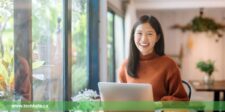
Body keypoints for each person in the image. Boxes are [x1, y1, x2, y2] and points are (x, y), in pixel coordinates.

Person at [118, 15, 189, 101]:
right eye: (139, 33)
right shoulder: (125, 65)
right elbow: (120, 98)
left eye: (149, 34)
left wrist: (167, 101)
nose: (144, 39)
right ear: (133, 36)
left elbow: (183, 100)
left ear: (157, 38)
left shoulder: (169, 65)